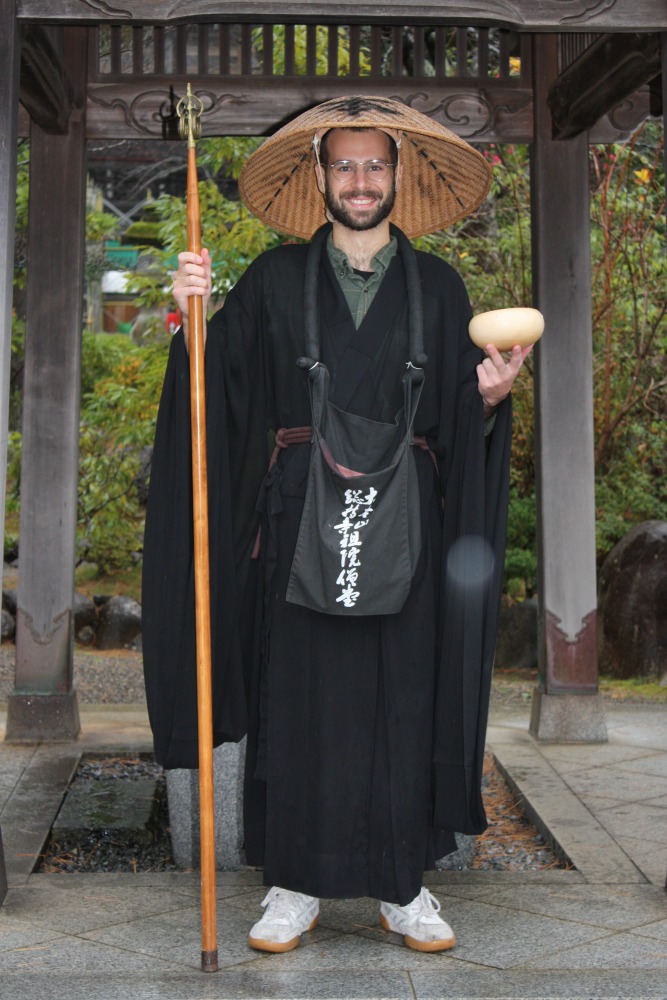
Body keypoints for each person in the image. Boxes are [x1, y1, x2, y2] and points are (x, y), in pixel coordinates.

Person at [142, 96, 531, 956]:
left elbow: (457, 418)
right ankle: (293, 882)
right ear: (320, 177)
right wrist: (191, 320)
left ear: (397, 176)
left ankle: (404, 885)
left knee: (405, 692)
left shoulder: (437, 286)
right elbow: (220, 395)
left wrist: (490, 398)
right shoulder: (275, 281)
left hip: (407, 527)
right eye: (344, 165)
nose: (360, 181)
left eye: (375, 165)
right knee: (299, 694)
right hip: (296, 523)